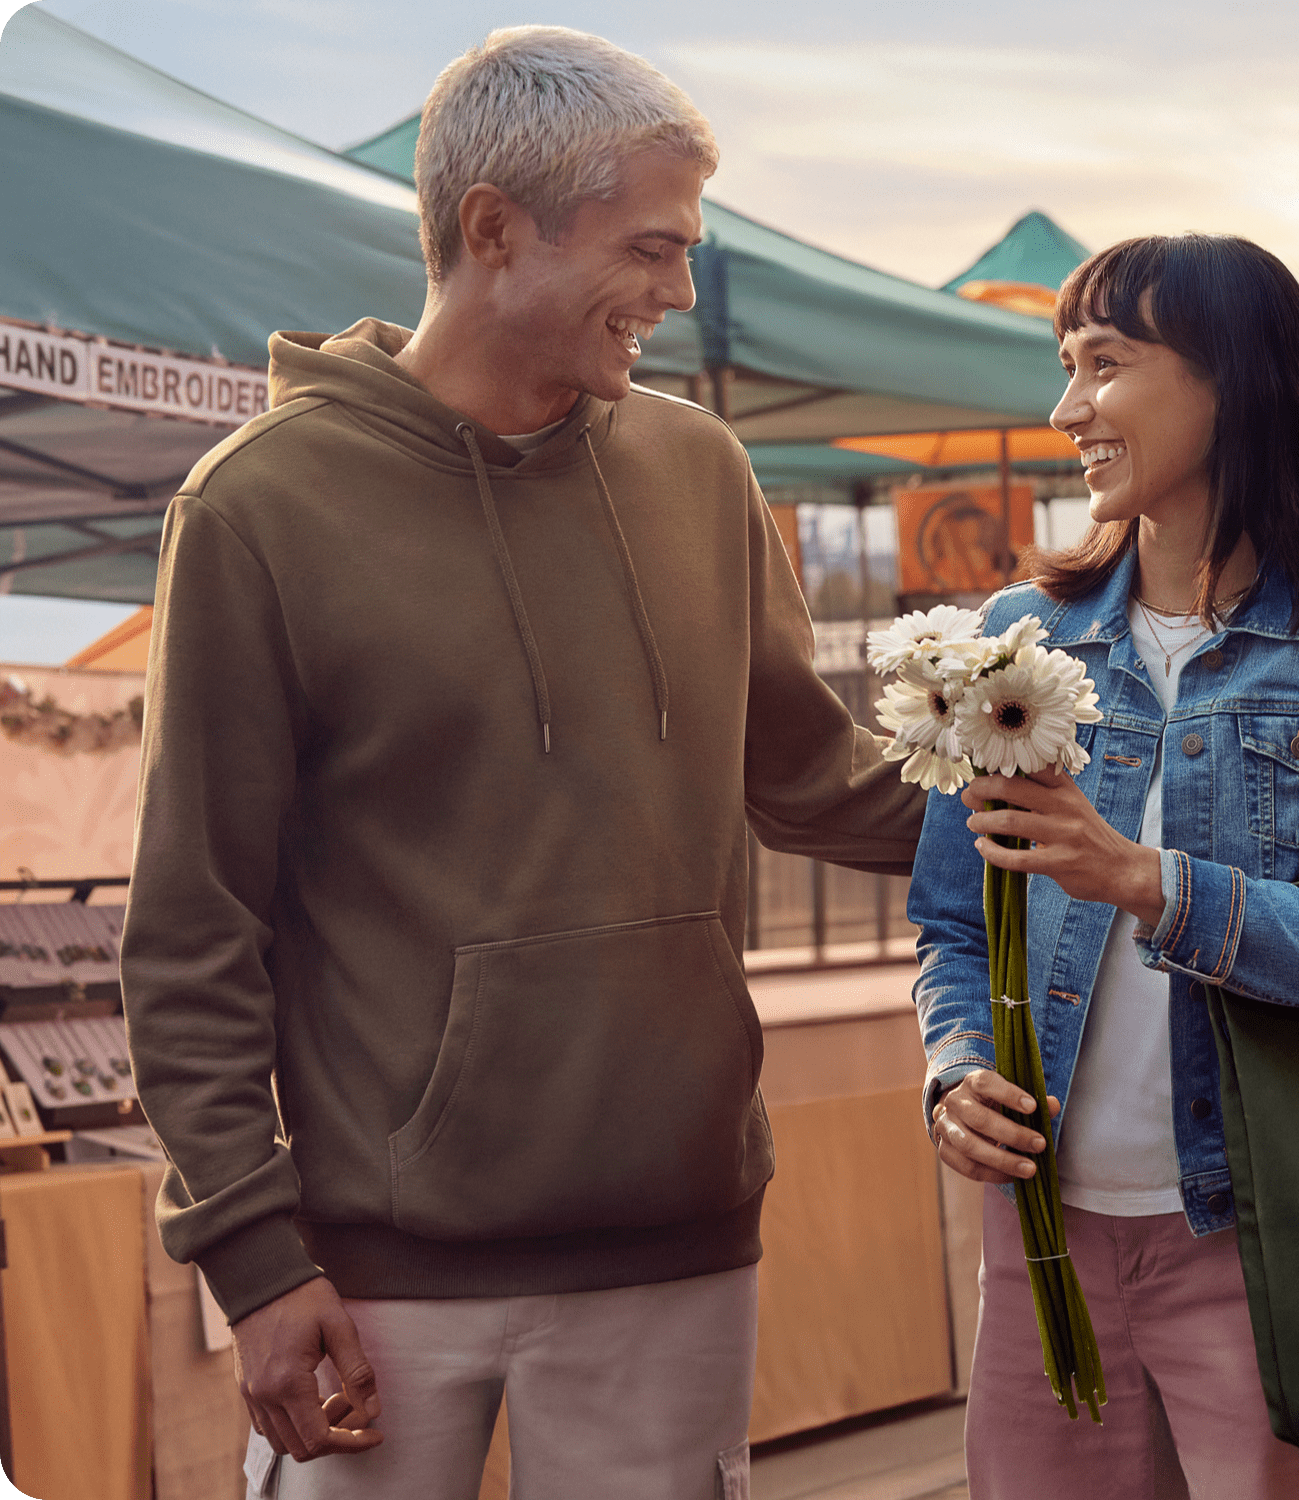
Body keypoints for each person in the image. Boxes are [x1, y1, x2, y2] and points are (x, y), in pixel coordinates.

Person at [121, 26, 922, 1500]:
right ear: (494, 230)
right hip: (375, 1274)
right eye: (651, 247)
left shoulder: (701, 473)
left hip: (676, 1246)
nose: (678, 294)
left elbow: (815, 777)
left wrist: (1075, 809)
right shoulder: (259, 511)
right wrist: (251, 1258)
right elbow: (191, 930)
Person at [909, 234, 1299, 1499]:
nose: (1069, 410)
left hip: (1269, 1245)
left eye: (1104, 366)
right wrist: (953, 1069)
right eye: (1066, 368)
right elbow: (952, 922)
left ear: (1233, 376)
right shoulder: (1019, 635)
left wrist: (1144, 880)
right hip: (1044, 1241)